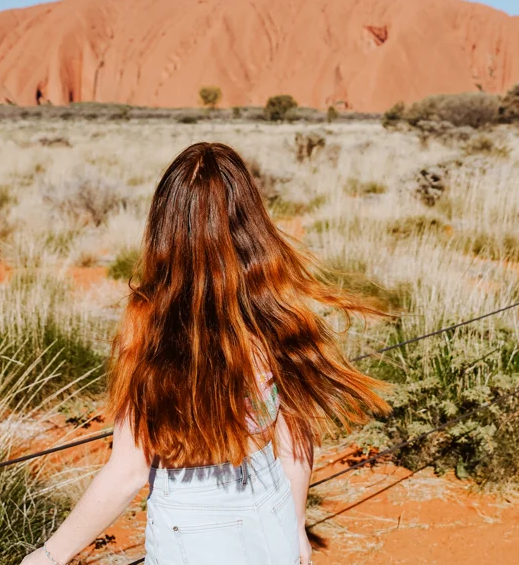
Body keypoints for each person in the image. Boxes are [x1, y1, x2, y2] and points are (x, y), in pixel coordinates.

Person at [21, 142, 388, 565]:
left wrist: (50, 554)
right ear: (250, 218)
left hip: (194, 524)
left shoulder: (148, 319)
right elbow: (294, 436)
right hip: (271, 504)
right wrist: (295, 525)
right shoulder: (273, 303)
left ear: (166, 223)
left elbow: (129, 469)